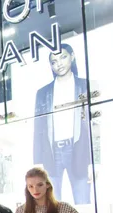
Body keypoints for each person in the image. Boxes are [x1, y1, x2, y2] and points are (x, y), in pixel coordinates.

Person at [34, 44, 91, 204]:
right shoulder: (43, 93)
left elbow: (94, 124)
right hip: (51, 152)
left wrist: (95, 161)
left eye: (63, 57)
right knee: (51, 205)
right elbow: (38, 128)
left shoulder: (84, 85)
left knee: (83, 201)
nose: (59, 63)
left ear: (72, 57)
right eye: (54, 61)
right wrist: (38, 160)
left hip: (78, 148)